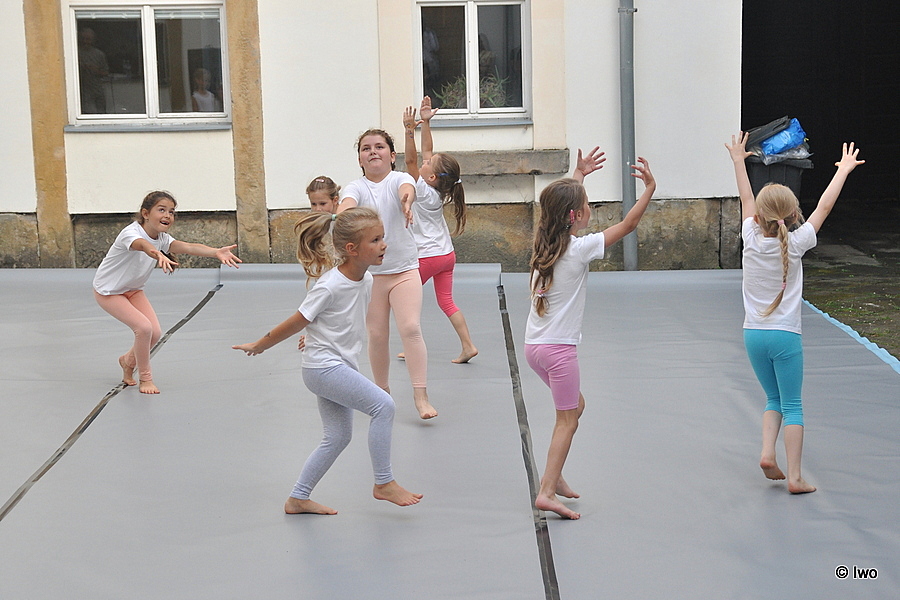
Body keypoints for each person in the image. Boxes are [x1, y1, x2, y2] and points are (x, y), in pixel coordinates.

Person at [233, 208, 423, 515]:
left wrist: (314, 335)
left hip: (338, 366)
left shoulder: (366, 279)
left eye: (382, 238)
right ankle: (384, 482)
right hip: (323, 369)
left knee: (337, 436)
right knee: (383, 406)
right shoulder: (330, 284)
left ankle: (298, 498)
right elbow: (299, 320)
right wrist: (261, 345)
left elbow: (338, 321)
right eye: (375, 240)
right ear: (352, 249)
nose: (384, 245)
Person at [726, 132, 864, 494]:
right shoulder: (798, 242)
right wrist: (842, 171)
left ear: (759, 217)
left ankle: (766, 453)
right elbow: (824, 208)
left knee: (772, 400)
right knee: (793, 406)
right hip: (785, 335)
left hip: (753, 335)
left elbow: (745, 198)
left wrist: (738, 160)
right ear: (792, 214)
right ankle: (796, 477)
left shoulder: (750, 236)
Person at [525, 151, 655, 519]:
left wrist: (578, 175)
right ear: (574, 216)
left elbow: (560, 205)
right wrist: (649, 188)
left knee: (575, 407)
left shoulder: (544, 244)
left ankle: (554, 477)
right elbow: (628, 224)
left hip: (534, 347)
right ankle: (546, 491)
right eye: (586, 205)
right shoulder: (579, 249)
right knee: (566, 420)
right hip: (559, 352)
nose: (590, 209)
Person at [93, 191, 241, 394]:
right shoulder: (131, 233)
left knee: (155, 333)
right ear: (145, 213)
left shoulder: (162, 238)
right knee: (143, 328)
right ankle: (146, 378)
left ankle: (128, 361)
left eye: (171, 212)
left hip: (133, 290)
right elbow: (143, 245)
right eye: (161, 210)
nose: (167, 215)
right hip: (108, 292)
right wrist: (156, 254)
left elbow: (188, 247)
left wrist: (215, 252)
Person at [338, 129, 438, 420]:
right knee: (377, 334)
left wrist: (406, 202)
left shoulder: (399, 179)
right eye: (366, 148)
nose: (373, 151)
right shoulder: (356, 187)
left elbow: (407, 189)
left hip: (404, 270)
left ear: (392, 156)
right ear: (360, 159)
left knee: (410, 328)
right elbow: (347, 204)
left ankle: (421, 395)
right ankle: (382, 394)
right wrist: (341, 215)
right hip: (371, 276)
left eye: (379, 147)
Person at [402, 97, 477, 364]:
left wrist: (409, 130)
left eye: (428, 164)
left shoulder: (422, 190)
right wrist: (426, 123)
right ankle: (468, 345)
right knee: (446, 301)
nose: (425, 162)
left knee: (405, 300)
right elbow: (426, 151)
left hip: (427, 256)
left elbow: (411, 160)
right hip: (446, 255)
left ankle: (412, 347)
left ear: (431, 176)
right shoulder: (435, 188)